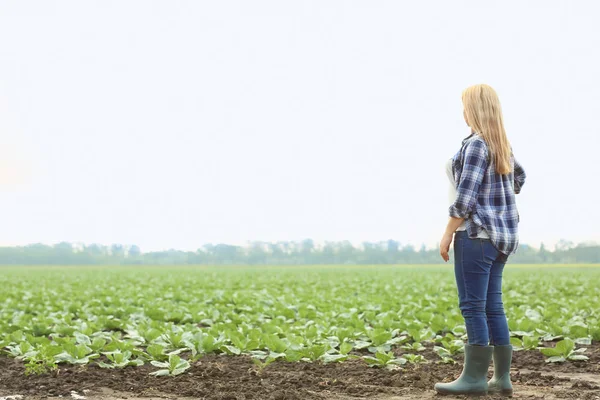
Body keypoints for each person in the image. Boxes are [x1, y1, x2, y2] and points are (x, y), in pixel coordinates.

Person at [434, 84, 526, 396]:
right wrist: (497, 202)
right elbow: (519, 178)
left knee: (472, 306)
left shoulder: (475, 145)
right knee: (493, 307)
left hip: (474, 236)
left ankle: (473, 379)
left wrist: (447, 233)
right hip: (501, 238)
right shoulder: (501, 144)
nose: (462, 112)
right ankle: (501, 379)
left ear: (472, 110)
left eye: (465, 106)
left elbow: (465, 200)